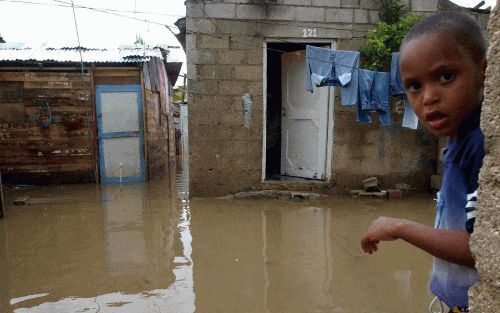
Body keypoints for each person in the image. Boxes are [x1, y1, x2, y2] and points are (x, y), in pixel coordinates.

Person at [360, 11, 487, 313]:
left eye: (446, 76)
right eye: (414, 86)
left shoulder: (479, 145)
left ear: (484, 72)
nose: (428, 97)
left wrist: (401, 226)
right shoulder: (458, 141)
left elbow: (482, 248)